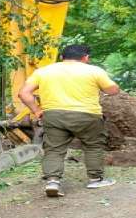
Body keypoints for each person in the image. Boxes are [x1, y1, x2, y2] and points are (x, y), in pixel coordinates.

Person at [18, 44, 120, 197]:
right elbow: (113, 91)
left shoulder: (44, 71)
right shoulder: (94, 71)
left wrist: (37, 111)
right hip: (87, 115)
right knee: (92, 146)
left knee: (54, 149)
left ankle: (52, 182)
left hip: (53, 115)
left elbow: (23, 93)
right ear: (86, 58)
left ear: (61, 58)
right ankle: (95, 179)